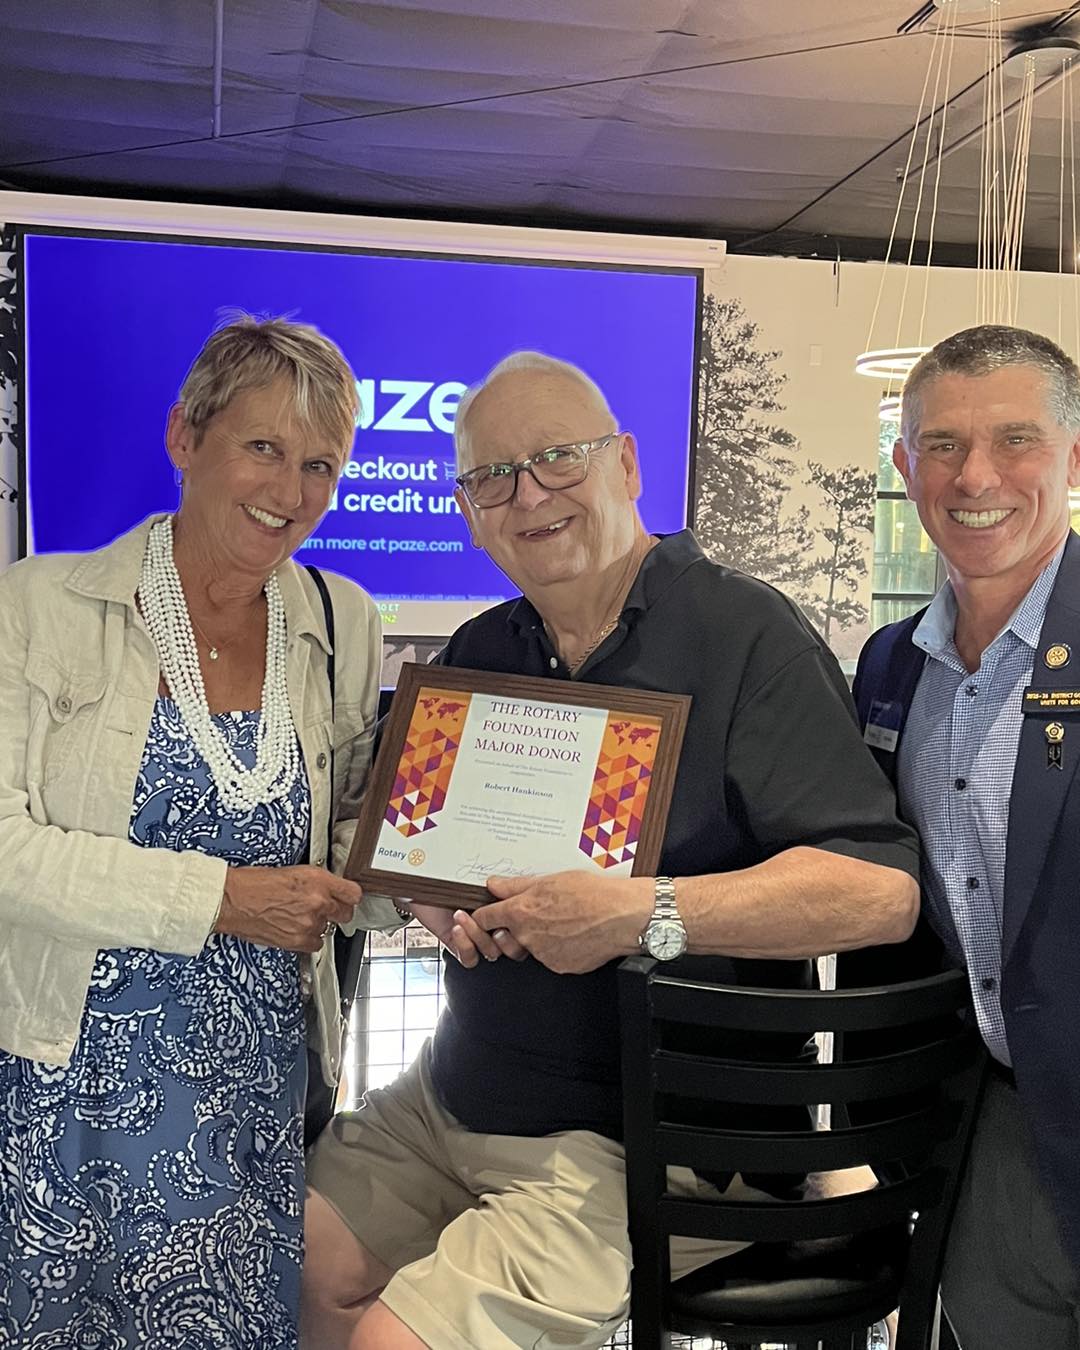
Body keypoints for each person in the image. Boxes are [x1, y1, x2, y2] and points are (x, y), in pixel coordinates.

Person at [302, 350, 921, 1350]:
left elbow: (877, 893)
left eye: (558, 458)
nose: (528, 495)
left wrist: (646, 914)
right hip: (454, 1092)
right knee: (294, 1268)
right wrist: (426, 891)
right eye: (492, 477)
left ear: (626, 464)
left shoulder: (746, 637)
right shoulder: (480, 652)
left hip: (648, 1133)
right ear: (467, 511)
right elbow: (399, 841)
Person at [0, 316, 392, 1349]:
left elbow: (347, 844)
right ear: (185, 437)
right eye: (263, 446)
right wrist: (223, 899)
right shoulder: (39, 606)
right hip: (64, 1088)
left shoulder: (341, 621)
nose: (290, 489)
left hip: (252, 1094)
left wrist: (449, 882)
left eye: (320, 464)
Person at [850, 325, 1080, 1348]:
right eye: (941, 444)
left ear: (1073, 458)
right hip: (993, 1124)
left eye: (1015, 439)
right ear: (905, 467)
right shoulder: (890, 668)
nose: (975, 476)